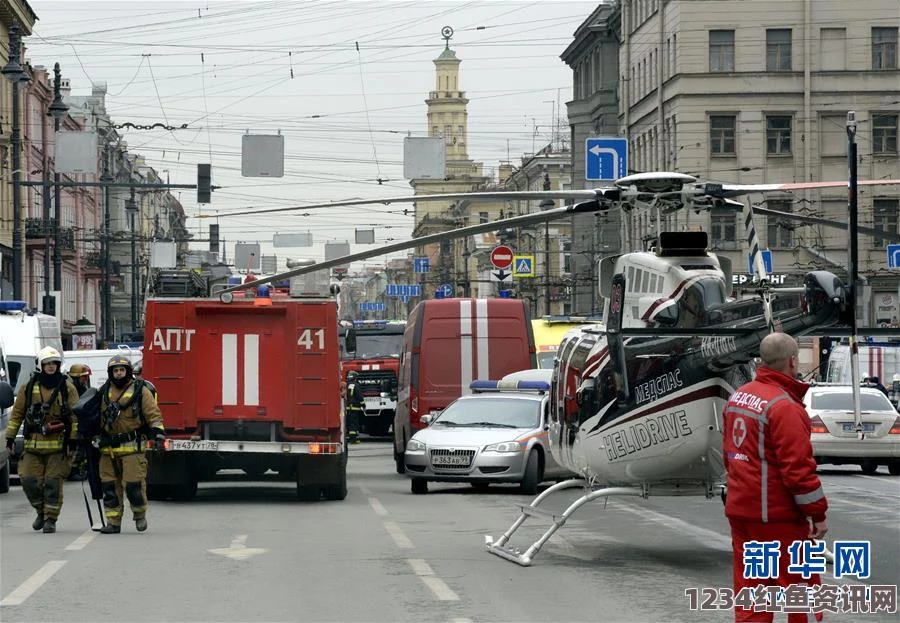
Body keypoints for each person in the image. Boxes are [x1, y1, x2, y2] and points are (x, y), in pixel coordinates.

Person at [722, 333, 828, 623]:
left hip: (742, 513)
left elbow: (728, 454)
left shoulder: (737, 397)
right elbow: (798, 471)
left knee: (752, 596)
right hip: (777, 518)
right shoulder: (785, 407)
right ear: (793, 360)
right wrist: (817, 514)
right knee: (800, 593)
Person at [4, 347, 78, 533]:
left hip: (58, 446)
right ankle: (40, 511)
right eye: (47, 364)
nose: (51, 367)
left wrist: (73, 441)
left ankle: (50, 519)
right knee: (28, 480)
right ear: (41, 365)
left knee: (53, 483)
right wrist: (10, 437)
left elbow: (75, 417)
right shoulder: (28, 387)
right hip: (32, 445)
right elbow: (17, 414)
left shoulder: (66, 387)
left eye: (54, 364)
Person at [96, 355, 165, 534]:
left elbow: (153, 414)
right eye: (115, 370)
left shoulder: (141, 391)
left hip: (132, 447)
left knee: (134, 486)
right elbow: (94, 418)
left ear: (128, 371)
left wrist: (158, 434)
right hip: (108, 449)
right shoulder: (103, 392)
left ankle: (139, 515)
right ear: (111, 373)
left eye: (122, 370)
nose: (119, 373)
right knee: (110, 488)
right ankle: (113, 522)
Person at [345, 371, 364, 444]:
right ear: (355, 377)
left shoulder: (346, 384)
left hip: (348, 408)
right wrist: (363, 405)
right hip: (355, 407)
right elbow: (359, 396)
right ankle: (353, 440)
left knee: (349, 423)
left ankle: (352, 438)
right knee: (354, 424)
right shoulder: (356, 385)